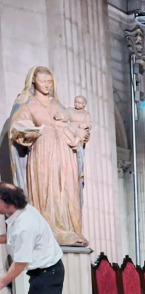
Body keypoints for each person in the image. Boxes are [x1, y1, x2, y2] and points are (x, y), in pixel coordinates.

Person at [9, 66, 87, 246]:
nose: (47, 85)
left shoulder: (58, 105)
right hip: (43, 152)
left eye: (50, 82)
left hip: (66, 153)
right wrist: (32, 130)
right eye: (43, 81)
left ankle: (70, 229)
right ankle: (49, 230)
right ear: (33, 80)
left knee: (67, 191)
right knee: (47, 190)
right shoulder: (28, 103)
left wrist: (80, 135)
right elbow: (16, 128)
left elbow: (73, 124)